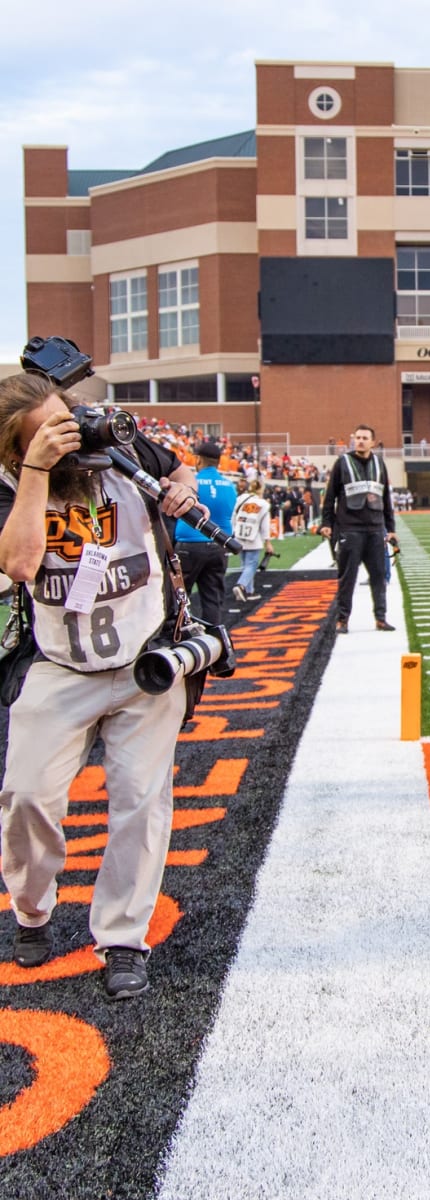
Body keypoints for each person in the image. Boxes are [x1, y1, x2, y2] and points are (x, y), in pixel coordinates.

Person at [0, 371, 204, 998]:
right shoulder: (12, 483)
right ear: (14, 449)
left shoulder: (119, 445)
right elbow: (19, 563)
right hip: (59, 662)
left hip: (146, 657)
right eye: (50, 436)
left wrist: (178, 487)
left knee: (141, 805)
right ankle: (32, 909)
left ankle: (122, 938)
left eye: (70, 422)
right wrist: (36, 472)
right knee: (26, 797)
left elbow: (181, 468)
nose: (73, 441)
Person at [319, 424, 399, 633]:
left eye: (365, 438)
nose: (360, 441)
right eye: (357, 437)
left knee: (379, 576)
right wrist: (326, 523)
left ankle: (380, 618)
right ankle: (343, 620)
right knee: (347, 578)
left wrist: (390, 528)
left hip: (375, 530)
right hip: (349, 529)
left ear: (373, 442)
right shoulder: (342, 463)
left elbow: (386, 498)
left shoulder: (380, 463)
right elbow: (330, 496)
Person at [173, 439, 238, 626]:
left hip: (189, 544)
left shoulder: (191, 483)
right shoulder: (229, 486)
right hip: (219, 544)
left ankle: (180, 637)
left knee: (178, 598)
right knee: (213, 599)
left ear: (198, 460)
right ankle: (214, 641)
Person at [231, 479, 275, 602]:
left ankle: (250, 591)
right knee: (251, 565)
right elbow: (265, 526)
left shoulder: (241, 499)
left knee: (245, 565)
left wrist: (234, 531)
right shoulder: (264, 504)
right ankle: (241, 585)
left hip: (239, 535)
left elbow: (234, 516)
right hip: (253, 537)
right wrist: (268, 542)